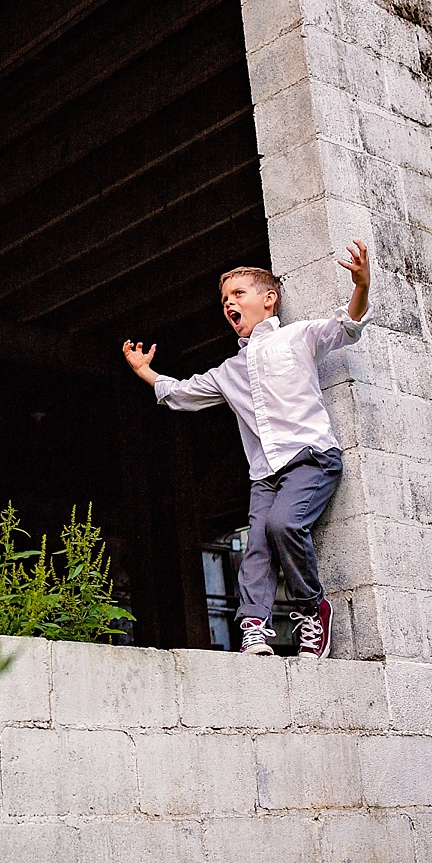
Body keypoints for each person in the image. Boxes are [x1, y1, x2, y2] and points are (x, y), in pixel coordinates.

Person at [121, 242, 372, 658]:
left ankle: (313, 608)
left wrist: (361, 285)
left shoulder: (298, 337)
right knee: (255, 544)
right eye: (224, 299)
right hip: (264, 474)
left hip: (311, 459)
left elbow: (347, 326)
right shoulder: (230, 371)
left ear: (269, 299)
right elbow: (181, 394)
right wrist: (144, 370)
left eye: (239, 294)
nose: (229, 303)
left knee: (283, 526)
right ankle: (254, 626)